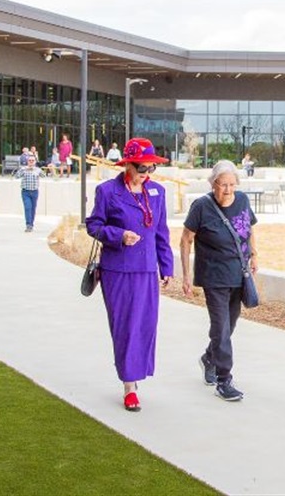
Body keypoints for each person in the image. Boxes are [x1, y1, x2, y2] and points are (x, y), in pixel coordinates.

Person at [86, 137, 173, 412]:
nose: (147, 174)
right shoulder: (108, 192)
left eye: (152, 168)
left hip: (147, 270)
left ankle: (136, 375)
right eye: (142, 168)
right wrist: (119, 235)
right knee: (125, 326)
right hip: (118, 271)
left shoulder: (157, 192)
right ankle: (129, 386)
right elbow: (94, 225)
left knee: (145, 326)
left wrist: (167, 266)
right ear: (128, 165)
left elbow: (162, 232)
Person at [180, 159, 258, 403]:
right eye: (223, 185)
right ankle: (224, 380)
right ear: (213, 184)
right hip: (214, 276)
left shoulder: (243, 200)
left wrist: (254, 254)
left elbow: (250, 229)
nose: (228, 190)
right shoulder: (201, 207)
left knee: (230, 325)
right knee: (221, 327)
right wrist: (185, 276)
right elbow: (185, 240)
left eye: (232, 185)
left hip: (239, 274)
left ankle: (209, 358)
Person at [14, 160, 43, 232]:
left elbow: (44, 175)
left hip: (35, 191)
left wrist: (51, 169)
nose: (31, 162)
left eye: (32, 161)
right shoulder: (23, 169)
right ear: (27, 162)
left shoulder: (37, 170)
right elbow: (16, 176)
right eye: (29, 160)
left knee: (33, 209)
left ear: (35, 162)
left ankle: (31, 224)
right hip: (25, 192)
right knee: (27, 207)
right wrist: (22, 170)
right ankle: (28, 225)